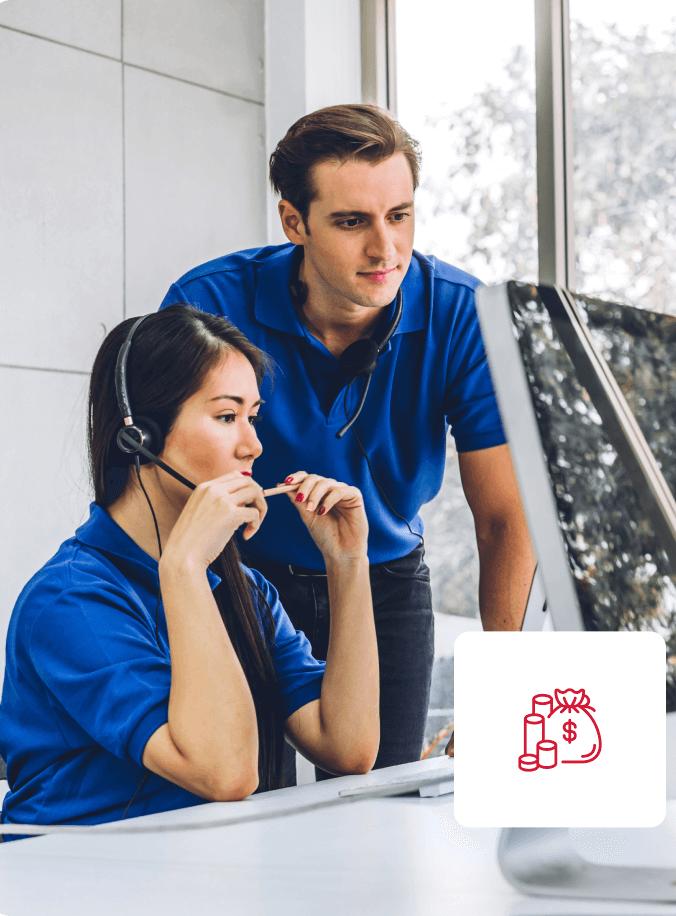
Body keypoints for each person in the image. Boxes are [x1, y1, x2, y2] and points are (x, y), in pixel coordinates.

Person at [160, 103, 535, 780]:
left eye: (399, 215)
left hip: (383, 579)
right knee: (242, 798)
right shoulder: (207, 304)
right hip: (241, 576)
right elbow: (163, 484)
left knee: (383, 801)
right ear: (294, 222)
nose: (385, 250)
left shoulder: (462, 313)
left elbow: (506, 519)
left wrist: (506, 693)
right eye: (352, 222)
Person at [0, 305, 379, 834]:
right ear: (142, 436)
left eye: (253, 417)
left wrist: (348, 562)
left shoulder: (245, 589)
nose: (253, 445)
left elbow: (349, 747)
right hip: (81, 871)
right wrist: (184, 567)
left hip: (201, 863)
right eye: (226, 417)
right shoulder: (71, 600)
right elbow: (225, 774)